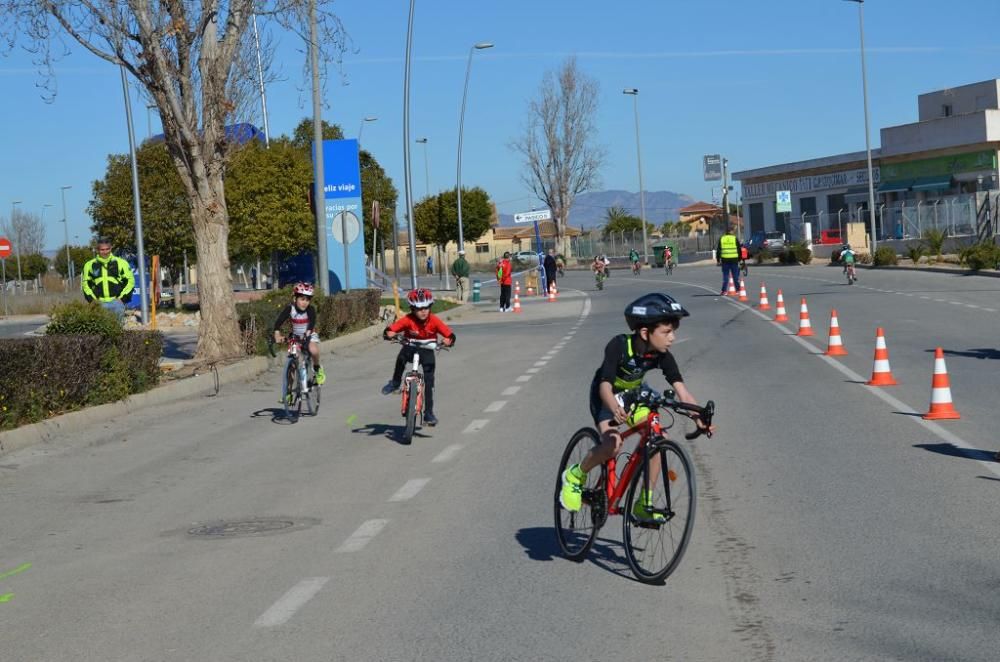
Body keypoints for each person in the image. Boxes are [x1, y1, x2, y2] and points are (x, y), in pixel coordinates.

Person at [559, 293, 714, 519]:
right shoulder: (619, 346)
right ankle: (575, 476)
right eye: (667, 332)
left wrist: (697, 416)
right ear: (644, 332)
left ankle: (644, 502)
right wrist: (613, 407)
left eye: (674, 331)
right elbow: (604, 387)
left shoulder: (661, 355)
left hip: (634, 396)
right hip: (607, 396)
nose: (672, 337)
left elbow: (683, 392)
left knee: (661, 438)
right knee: (613, 444)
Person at [381, 288, 456, 427]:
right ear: (412, 309)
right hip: (411, 347)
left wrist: (448, 341)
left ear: (430, 307)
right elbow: (392, 329)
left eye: (426, 307)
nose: (423, 311)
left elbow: (450, 335)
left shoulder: (434, 320)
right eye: (419, 308)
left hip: (428, 350)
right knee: (401, 358)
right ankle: (395, 382)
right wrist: (389, 333)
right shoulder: (408, 320)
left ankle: (428, 413)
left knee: (429, 382)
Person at [272, 282, 325, 387]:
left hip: (309, 334)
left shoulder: (310, 309)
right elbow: (279, 321)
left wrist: (308, 332)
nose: (305, 303)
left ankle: (317, 369)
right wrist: (277, 334)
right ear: (295, 298)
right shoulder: (290, 309)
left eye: (307, 300)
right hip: (295, 337)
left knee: (313, 350)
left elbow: (312, 322)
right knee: (293, 359)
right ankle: (288, 392)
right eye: (302, 299)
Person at [81, 237, 136, 322]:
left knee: (118, 331)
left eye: (107, 249)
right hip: (98, 303)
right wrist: (92, 300)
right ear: (97, 250)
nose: (105, 252)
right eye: (102, 250)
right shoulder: (89, 265)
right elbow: (85, 284)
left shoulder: (121, 263)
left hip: (117, 303)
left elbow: (130, 281)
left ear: (111, 248)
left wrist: (122, 299)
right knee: (99, 332)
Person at [716, 226, 742, 295]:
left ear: (726, 232)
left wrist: (718, 260)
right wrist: (740, 259)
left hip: (725, 260)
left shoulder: (722, 238)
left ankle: (724, 291)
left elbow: (718, 250)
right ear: (731, 231)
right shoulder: (734, 238)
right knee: (735, 276)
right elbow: (739, 249)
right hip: (734, 260)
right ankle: (738, 290)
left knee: (725, 276)